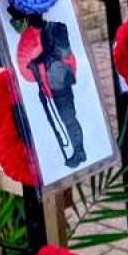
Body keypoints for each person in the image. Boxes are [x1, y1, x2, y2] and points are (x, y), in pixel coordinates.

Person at [27, 18, 86, 167]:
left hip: (61, 80)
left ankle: (79, 152)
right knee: (67, 118)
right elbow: (48, 53)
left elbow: (62, 52)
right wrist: (36, 62)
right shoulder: (45, 31)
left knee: (69, 119)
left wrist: (40, 60)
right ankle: (79, 151)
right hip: (55, 80)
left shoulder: (58, 27)